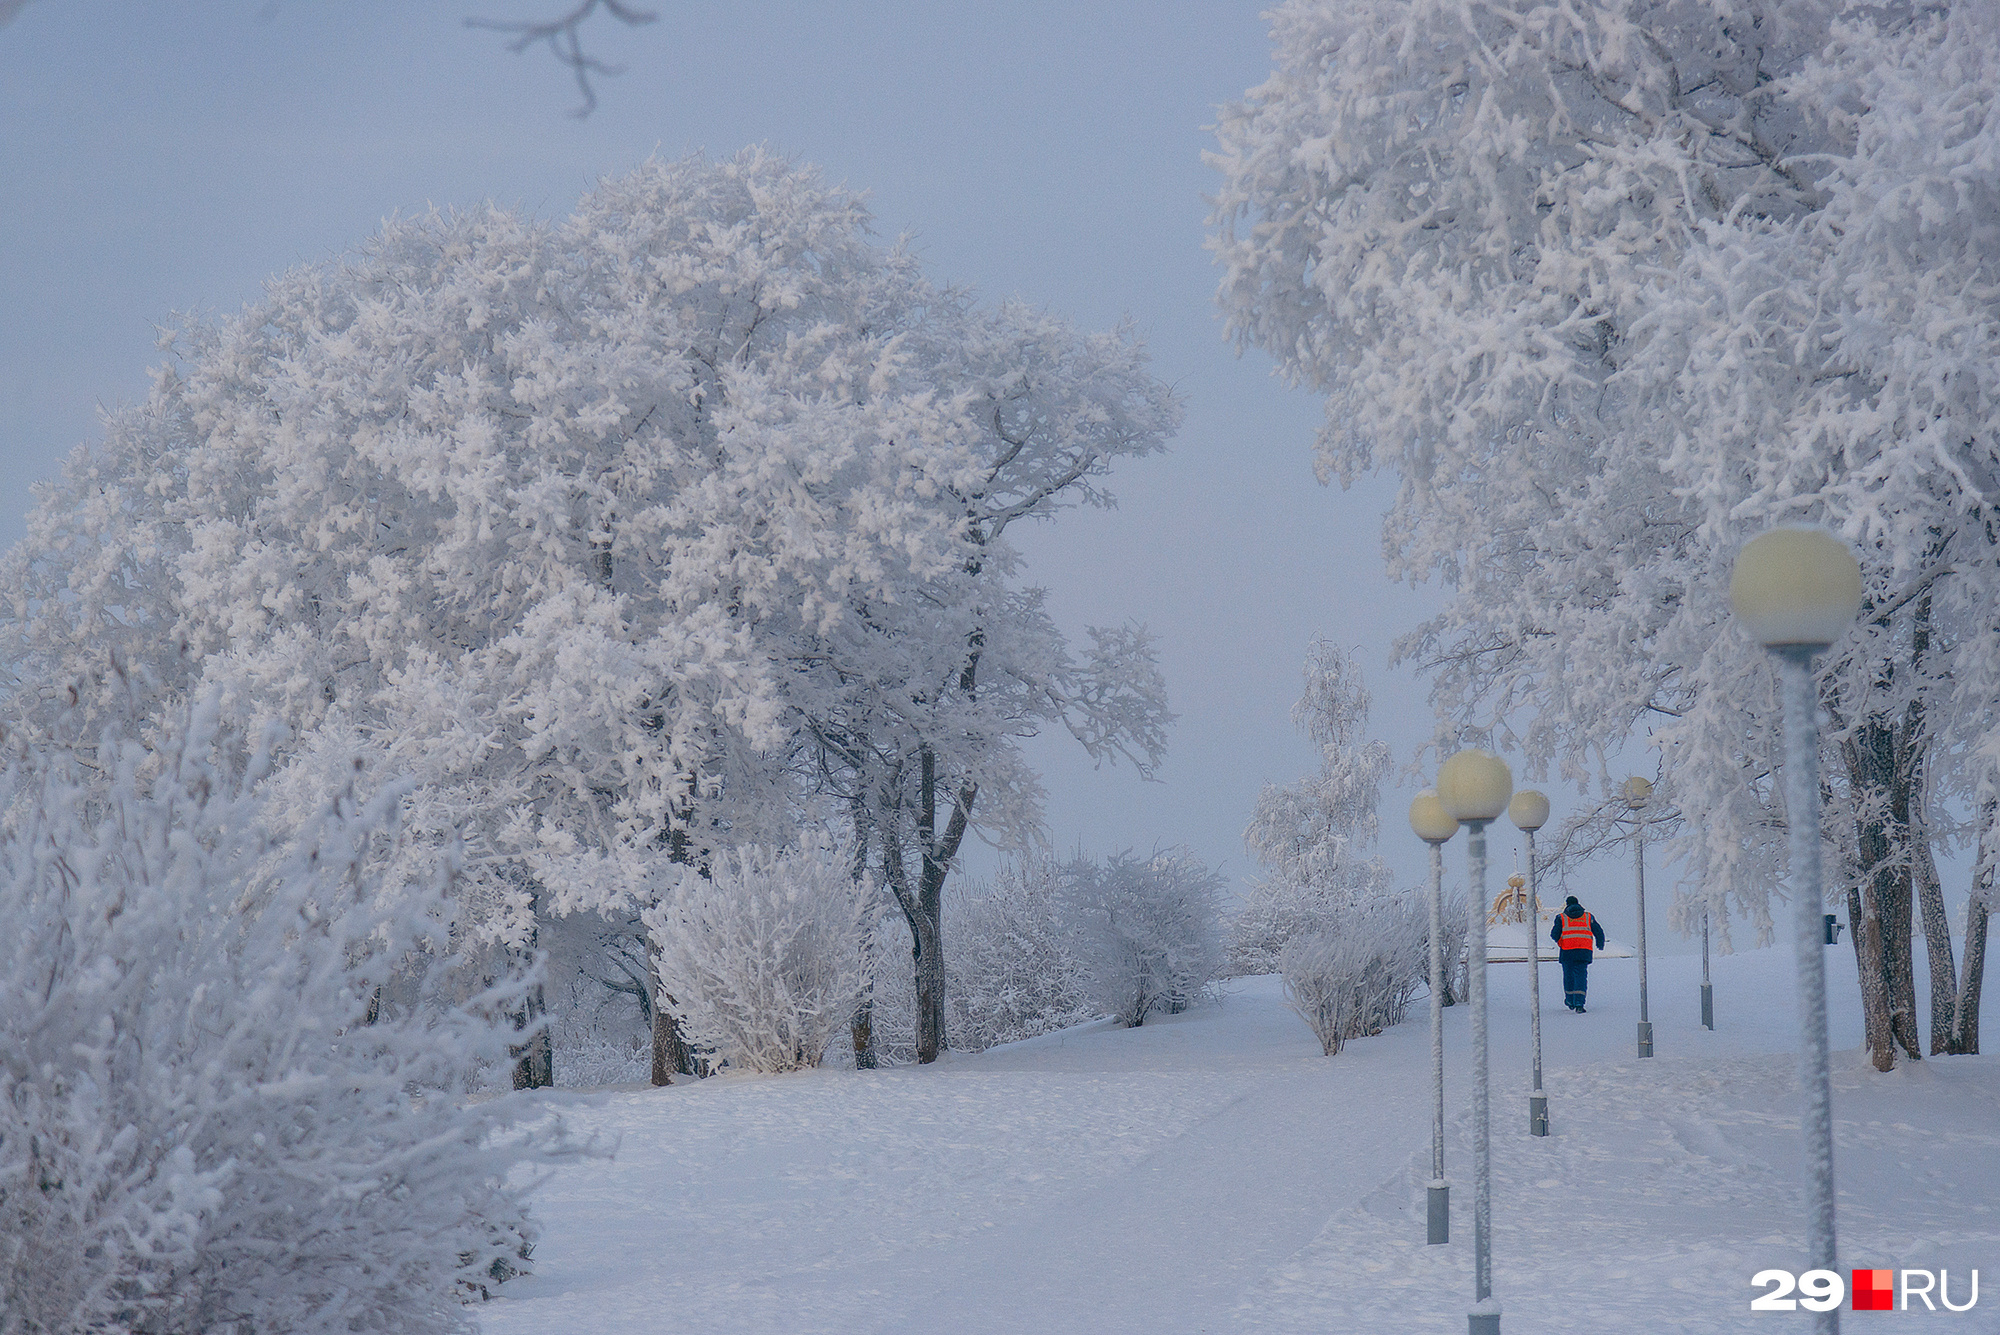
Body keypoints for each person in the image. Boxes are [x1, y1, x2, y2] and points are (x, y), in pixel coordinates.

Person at [1550, 895, 1605, 1012]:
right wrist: (1600, 944)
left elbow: (1554, 934)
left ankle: (1570, 1000)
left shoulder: (1561, 918)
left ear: (1567, 904)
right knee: (1581, 976)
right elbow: (1599, 931)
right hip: (1584, 951)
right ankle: (1579, 1004)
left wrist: (1560, 941)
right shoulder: (1588, 917)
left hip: (1567, 951)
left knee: (1568, 975)